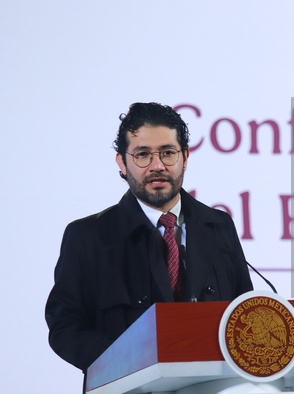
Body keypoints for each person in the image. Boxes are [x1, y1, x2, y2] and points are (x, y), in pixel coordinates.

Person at [45, 102, 253, 376]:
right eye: (143, 154)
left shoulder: (219, 226)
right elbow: (65, 327)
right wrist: (127, 362)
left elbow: (245, 313)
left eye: (168, 153)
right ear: (122, 162)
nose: (157, 166)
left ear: (186, 157)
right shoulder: (88, 236)